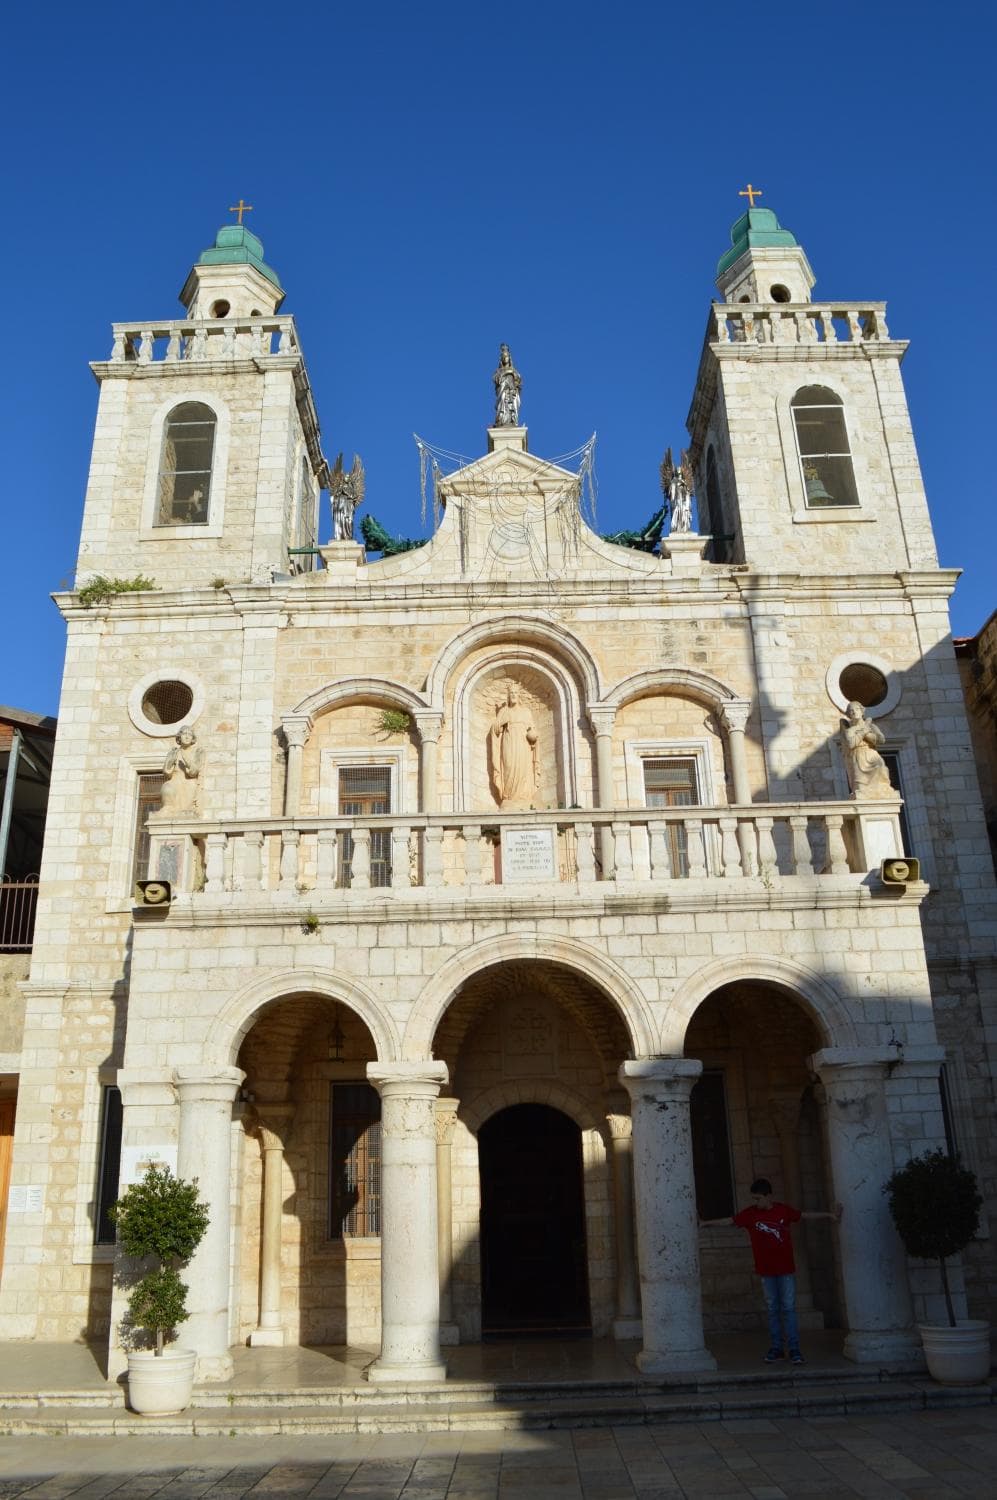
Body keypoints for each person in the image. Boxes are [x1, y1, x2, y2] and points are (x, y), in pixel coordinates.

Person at [700, 1178, 842, 1364]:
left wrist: (830, 1215)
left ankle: (794, 1349)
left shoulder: (783, 1211)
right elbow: (729, 1220)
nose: (756, 1202)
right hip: (766, 1272)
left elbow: (804, 1215)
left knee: (789, 1310)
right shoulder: (750, 1214)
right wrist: (705, 1223)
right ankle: (777, 1348)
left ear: (768, 1196)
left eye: (758, 1198)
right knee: (773, 1310)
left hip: (785, 1271)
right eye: (754, 1199)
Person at [489, 686, 538, 807]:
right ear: (508, 696)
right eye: (511, 693)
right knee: (509, 766)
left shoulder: (526, 712)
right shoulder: (504, 712)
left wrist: (533, 734)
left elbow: (532, 729)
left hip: (523, 743)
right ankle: (509, 796)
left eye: (515, 693)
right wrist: (501, 721)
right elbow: (495, 730)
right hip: (509, 742)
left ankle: (523, 797)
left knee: (522, 767)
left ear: (519, 695)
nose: (513, 695)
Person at [840, 700, 895, 799]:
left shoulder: (871, 726)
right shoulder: (849, 730)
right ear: (849, 715)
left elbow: (881, 740)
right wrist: (864, 730)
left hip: (871, 753)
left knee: (881, 769)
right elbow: (852, 744)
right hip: (858, 756)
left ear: (861, 711)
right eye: (851, 711)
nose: (854, 712)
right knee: (861, 785)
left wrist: (866, 732)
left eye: (856, 709)